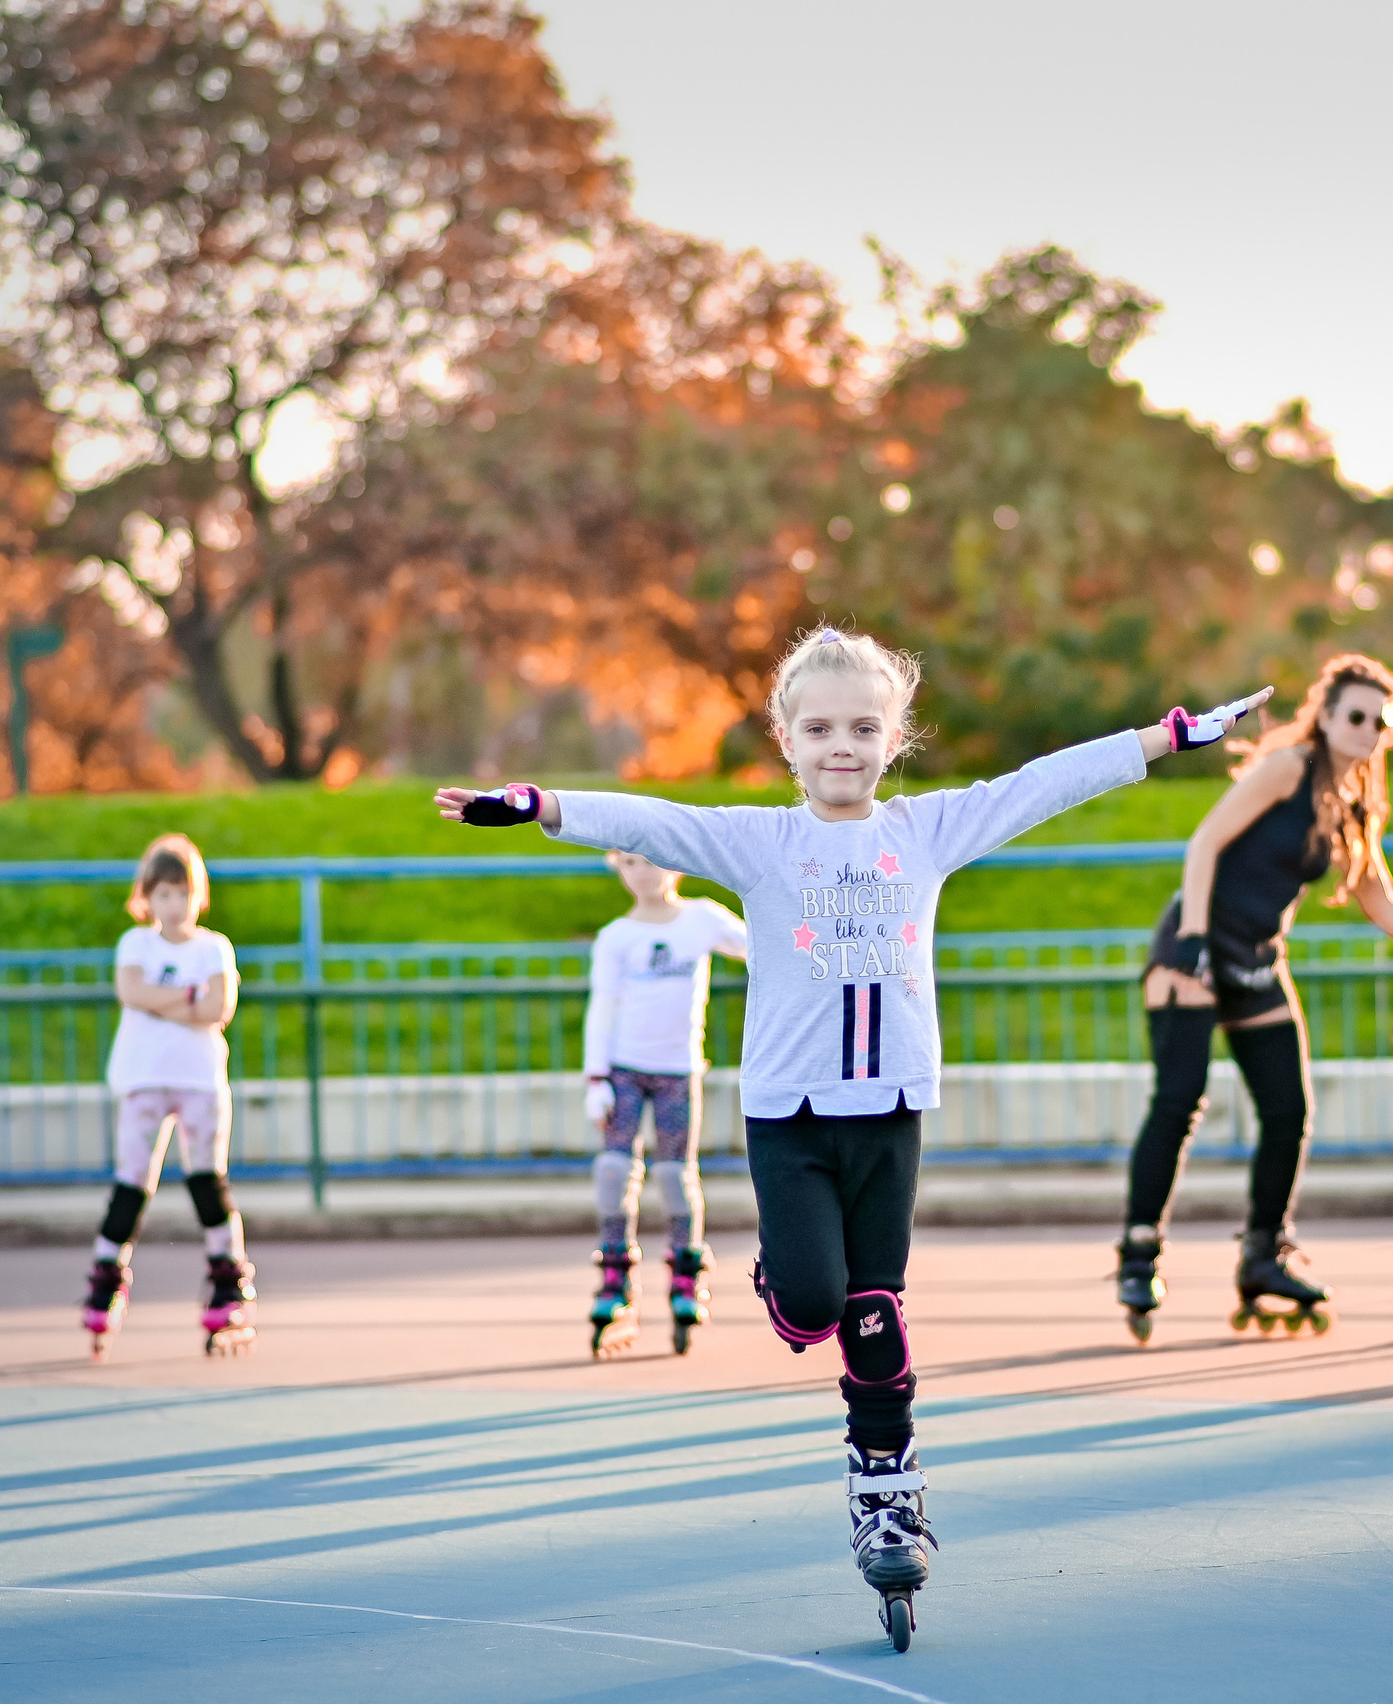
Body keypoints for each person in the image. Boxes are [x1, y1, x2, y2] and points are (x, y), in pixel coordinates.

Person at [435, 625, 1267, 1650]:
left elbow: (1044, 783)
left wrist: (1165, 737)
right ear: (786, 738)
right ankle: (787, 1283)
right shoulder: (759, 844)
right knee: (813, 1303)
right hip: (788, 1118)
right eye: (820, 727)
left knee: (874, 1311)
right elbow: (651, 820)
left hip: (891, 1114)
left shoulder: (924, 830)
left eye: (864, 726)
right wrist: (538, 808)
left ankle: (888, 1493)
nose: (843, 744)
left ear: (894, 736)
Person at [1115, 655, 1393, 1344]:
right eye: (1356, 716)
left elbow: (1380, 900)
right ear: (1328, 714)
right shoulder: (1288, 769)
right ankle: (1139, 1254)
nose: (1367, 730)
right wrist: (1192, 935)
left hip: (1254, 958)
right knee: (1180, 1097)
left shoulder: (1353, 803)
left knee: (1288, 1109)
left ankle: (1263, 1255)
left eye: (1381, 723)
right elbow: (1206, 842)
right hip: (1194, 944)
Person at [84, 834, 250, 1359]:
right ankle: (107, 1275)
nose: (173, 906)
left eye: (182, 894)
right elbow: (132, 992)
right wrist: (187, 997)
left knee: (207, 1180)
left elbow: (217, 1009)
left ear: (197, 895)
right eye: (163, 895)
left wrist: (163, 1004)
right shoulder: (136, 945)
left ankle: (228, 1279)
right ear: (147, 899)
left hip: (200, 1078)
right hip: (143, 1077)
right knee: (132, 1183)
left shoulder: (213, 947)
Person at [579, 849, 749, 1356]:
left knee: (676, 1174)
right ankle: (615, 1279)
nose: (644, 872)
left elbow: (763, 947)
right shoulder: (616, 937)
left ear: (675, 864)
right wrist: (595, 1078)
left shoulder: (702, 919)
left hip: (678, 1071)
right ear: (619, 869)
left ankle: (685, 1273)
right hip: (625, 1070)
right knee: (613, 1170)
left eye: (653, 860)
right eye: (631, 863)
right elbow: (602, 1004)